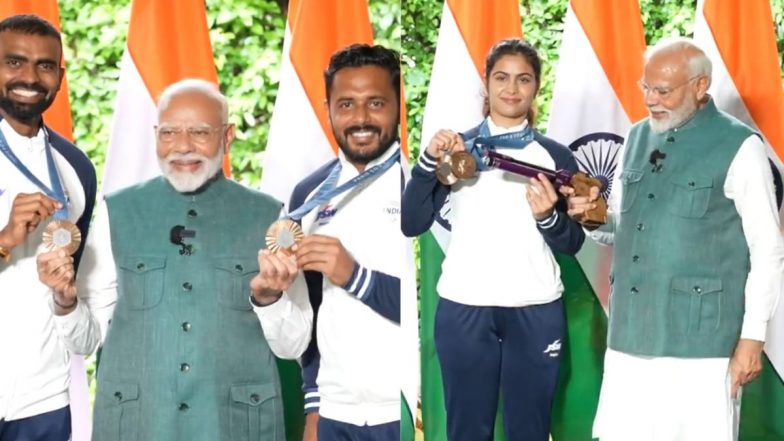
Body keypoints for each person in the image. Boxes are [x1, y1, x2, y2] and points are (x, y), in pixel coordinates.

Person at [38, 79, 308, 440]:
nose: (182, 146)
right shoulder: (117, 213)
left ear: (227, 137)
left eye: (199, 132)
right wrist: (65, 301)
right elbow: (85, 342)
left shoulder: (270, 217)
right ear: (155, 136)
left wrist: (269, 299)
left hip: (234, 426)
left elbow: (294, 344)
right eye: (169, 132)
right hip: (139, 426)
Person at [562, 38, 784, 441]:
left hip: (702, 347)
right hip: (628, 339)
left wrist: (752, 338)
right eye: (645, 87)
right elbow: (625, 228)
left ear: (700, 87)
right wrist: (594, 218)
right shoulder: (635, 137)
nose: (650, 99)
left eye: (663, 90)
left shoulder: (740, 146)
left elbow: (768, 250)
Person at [401, 38, 584, 441]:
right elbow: (412, 222)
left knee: (529, 431)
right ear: (485, 84)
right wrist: (428, 163)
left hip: (534, 309)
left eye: (523, 79)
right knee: (467, 431)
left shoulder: (556, 157)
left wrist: (548, 217)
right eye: (501, 78)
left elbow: (572, 243)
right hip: (465, 308)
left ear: (537, 86)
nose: (511, 89)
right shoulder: (456, 150)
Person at [251, 44, 403, 441]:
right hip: (336, 415)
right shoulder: (308, 195)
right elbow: (301, 332)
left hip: (404, 410)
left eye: (376, 103)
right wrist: (270, 298)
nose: (361, 118)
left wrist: (354, 276)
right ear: (328, 107)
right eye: (346, 104)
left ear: (398, 104)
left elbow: (432, 308)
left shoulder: (418, 185)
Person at [0, 14, 96, 441]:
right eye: (14, 62)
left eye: (44, 65)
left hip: (42, 401)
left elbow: (86, 295)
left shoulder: (77, 169)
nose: (29, 77)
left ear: (60, 75)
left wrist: (67, 300)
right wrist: (4, 241)